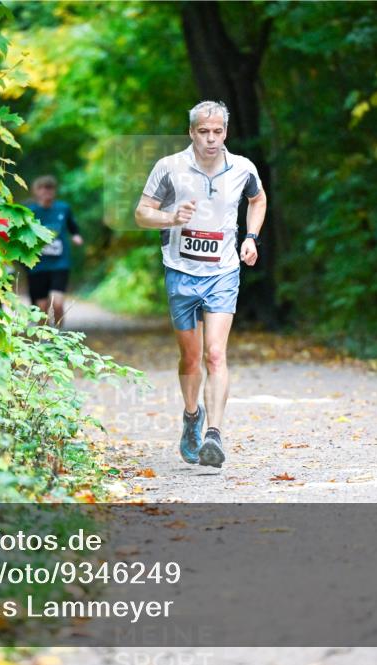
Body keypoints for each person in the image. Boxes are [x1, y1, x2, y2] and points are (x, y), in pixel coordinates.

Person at [134, 100, 267, 468]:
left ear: (226, 132)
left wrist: (251, 237)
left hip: (223, 271)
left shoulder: (242, 168)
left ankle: (214, 434)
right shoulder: (169, 168)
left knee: (215, 354)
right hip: (180, 271)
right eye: (203, 132)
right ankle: (191, 416)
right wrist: (170, 216)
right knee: (191, 358)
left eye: (218, 131)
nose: (211, 139)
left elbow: (258, 199)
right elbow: (142, 213)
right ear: (191, 132)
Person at [26, 175, 83, 326]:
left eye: (50, 188)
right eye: (42, 188)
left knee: (57, 303)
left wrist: (76, 236)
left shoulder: (63, 208)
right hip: (37, 264)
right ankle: (44, 341)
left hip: (60, 263)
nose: (46, 191)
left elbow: (72, 226)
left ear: (55, 191)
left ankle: (59, 335)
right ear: (36, 191)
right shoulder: (29, 212)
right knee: (42, 307)